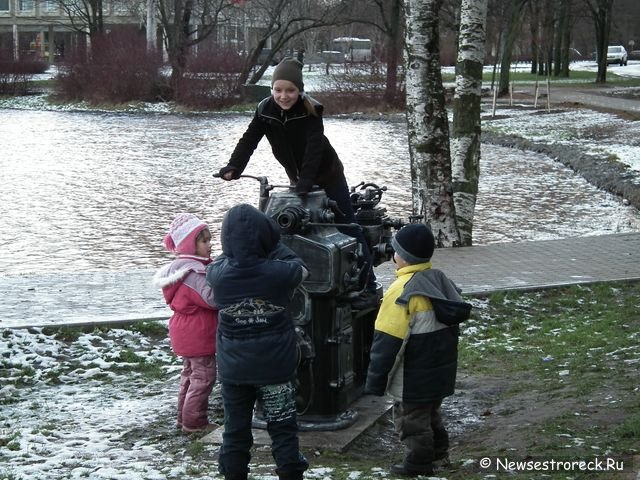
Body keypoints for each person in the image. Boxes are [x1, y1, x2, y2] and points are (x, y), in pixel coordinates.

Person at [217, 57, 377, 309]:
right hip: (298, 177)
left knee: (347, 225)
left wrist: (307, 181)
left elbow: (314, 149)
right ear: (272, 90)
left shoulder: (311, 110)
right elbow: (249, 139)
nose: (284, 96)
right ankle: (298, 281)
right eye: (278, 90)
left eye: (290, 90)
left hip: (327, 175)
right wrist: (234, 167)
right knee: (292, 229)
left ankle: (368, 286)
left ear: (299, 90)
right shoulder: (264, 110)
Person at [206, 203, 309, 480]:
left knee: (235, 431)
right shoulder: (280, 273)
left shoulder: (217, 275)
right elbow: (301, 268)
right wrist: (272, 246)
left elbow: (218, 260)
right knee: (283, 430)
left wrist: (236, 251)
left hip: (234, 371)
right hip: (275, 369)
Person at [364, 223, 471, 477]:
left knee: (411, 420)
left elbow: (387, 341)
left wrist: (375, 381)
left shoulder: (401, 292)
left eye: (396, 251)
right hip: (439, 369)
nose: (393, 255)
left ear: (402, 256)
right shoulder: (439, 280)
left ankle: (418, 463)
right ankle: (439, 452)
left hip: (414, 373)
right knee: (431, 412)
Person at [153, 213, 219, 434]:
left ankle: (183, 418)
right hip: (198, 334)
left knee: (190, 376)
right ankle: (195, 422)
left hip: (185, 331)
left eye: (210, 240)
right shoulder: (193, 273)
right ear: (190, 244)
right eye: (204, 241)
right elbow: (212, 299)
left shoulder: (180, 269)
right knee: (204, 378)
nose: (210, 245)